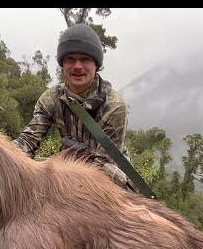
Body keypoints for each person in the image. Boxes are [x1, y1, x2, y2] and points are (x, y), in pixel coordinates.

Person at [12, 23, 131, 188]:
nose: (77, 66)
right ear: (62, 63)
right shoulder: (52, 98)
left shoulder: (114, 105)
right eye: (70, 59)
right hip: (69, 170)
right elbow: (29, 139)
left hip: (106, 183)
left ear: (96, 64)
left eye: (85, 59)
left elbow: (102, 167)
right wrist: (4, 156)